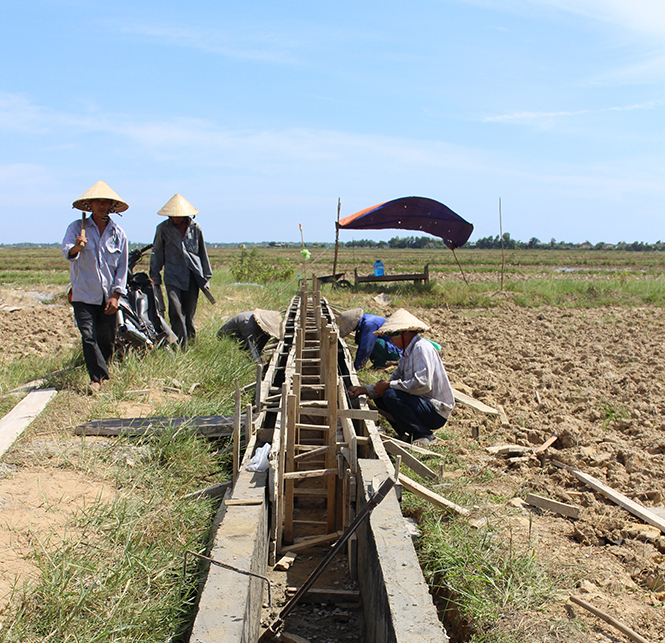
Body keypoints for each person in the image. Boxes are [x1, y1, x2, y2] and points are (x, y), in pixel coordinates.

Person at [347, 308, 454, 447]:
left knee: (391, 394)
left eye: (395, 334)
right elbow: (392, 380)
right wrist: (365, 390)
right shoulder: (406, 353)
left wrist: (388, 386)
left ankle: (423, 434)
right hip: (422, 402)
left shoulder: (420, 348)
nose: (391, 339)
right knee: (382, 394)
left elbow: (423, 384)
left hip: (436, 410)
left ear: (407, 333)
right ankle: (406, 432)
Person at [62, 181, 129, 392]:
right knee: (88, 336)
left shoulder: (118, 233)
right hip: (83, 294)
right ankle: (96, 379)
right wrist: (77, 247)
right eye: (97, 201)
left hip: (107, 296)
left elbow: (122, 268)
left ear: (111, 206)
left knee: (106, 339)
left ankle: (104, 370)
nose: (101, 205)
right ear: (90, 205)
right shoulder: (76, 228)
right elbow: (67, 253)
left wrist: (117, 295)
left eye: (105, 202)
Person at [149, 194, 212, 349]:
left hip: (192, 275)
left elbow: (202, 251)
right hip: (172, 276)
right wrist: (155, 275)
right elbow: (157, 252)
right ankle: (179, 346)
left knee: (189, 313)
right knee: (176, 311)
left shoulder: (195, 228)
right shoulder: (163, 228)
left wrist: (206, 277)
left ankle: (190, 343)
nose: (176, 218)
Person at [337, 308, 401, 371]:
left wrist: (357, 366)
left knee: (372, 342)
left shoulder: (369, 324)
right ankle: (378, 363)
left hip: (395, 350)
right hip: (390, 347)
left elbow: (366, 347)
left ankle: (382, 364)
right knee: (361, 338)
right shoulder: (365, 320)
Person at [217, 310, 283, 362]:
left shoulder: (256, 322)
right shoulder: (249, 325)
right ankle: (250, 360)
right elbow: (250, 344)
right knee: (250, 348)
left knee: (266, 335)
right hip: (228, 337)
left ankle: (257, 355)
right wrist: (257, 362)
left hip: (242, 334)